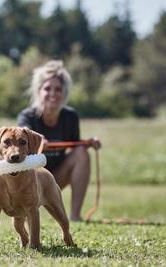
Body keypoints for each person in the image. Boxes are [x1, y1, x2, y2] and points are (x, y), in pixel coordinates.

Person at [17, 60, 101, 221]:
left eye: (58, 89)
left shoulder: (70, 116)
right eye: (47, 88)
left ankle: (75, 216)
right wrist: (38, 144)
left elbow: (75, 146)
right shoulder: (26, 116)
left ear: (64, 92)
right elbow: (19, 145)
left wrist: (87, 143)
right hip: (31, 179)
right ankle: (25, 214)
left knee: (82, 153)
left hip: (54, 179)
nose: (53, 93)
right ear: (39, 91)